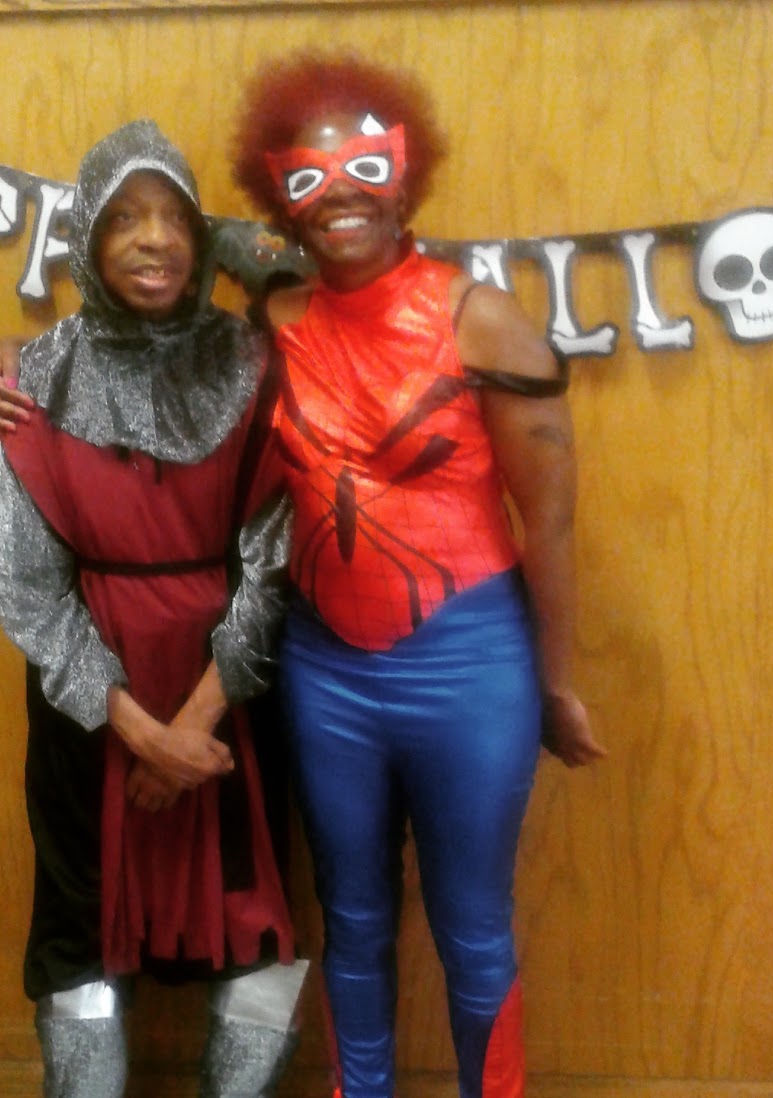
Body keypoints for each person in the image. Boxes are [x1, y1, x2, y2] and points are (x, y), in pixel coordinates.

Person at [226, 52, 607, 1098]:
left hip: (470, 662)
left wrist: (557, 681)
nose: (339, 192)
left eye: (366, 165)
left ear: (408, 175)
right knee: (350, 916)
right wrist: (13, 357)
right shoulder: (276, 320)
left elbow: (551, 520)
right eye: (306, 176)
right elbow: (176, 274)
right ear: (278, 196)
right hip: (325, 669)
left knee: (473, 924)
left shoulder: (480, 317)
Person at [0, 119, 307, 1098]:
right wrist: (142, 734)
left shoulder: (255, 364)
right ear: (88, 236)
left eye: (172, 217)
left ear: (200, 238)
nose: (153, 239)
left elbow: (275, 562)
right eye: (124, 218)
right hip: (90, 699)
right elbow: (26, 584)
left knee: (255, 909)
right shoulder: (32, 378)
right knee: (80, 922)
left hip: (228, 686)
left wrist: (195, 725)